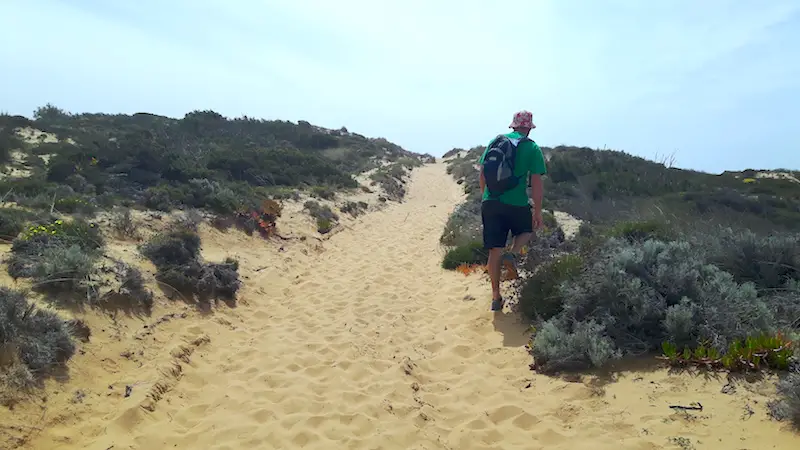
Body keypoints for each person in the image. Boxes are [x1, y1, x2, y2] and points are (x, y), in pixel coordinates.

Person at [478, 110, 547, 311]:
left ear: (513, 126)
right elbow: (536, 184)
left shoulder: (496, 141)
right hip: (516, 203)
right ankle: (514, 253)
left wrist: (487, 197)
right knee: (527, 230)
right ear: (529, 129)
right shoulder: (532, 148)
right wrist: (538, 212)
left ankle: (495, 297)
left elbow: (482, 173)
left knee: (494, 250)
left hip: (491, 202)